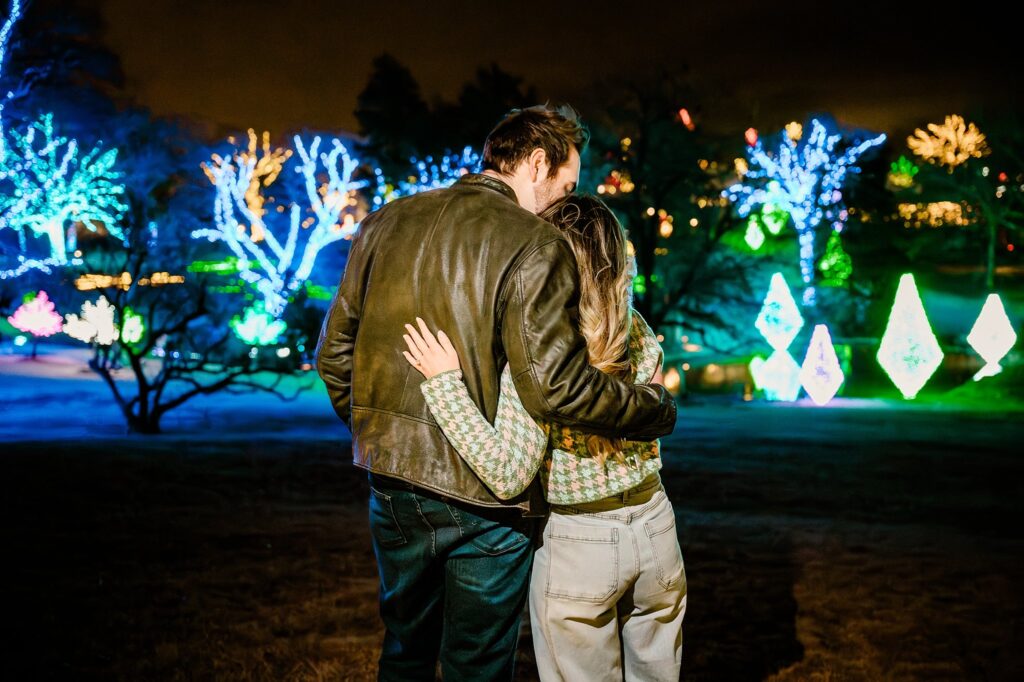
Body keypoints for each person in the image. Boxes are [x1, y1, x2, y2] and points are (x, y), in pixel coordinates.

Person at [316, 105, 678, 681]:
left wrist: (382, 436)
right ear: (537, 163)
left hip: (391, 485)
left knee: (405, 649)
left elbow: (334, 355)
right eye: (564, 185)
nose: (564, 202)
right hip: (488, 501)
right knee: (478, 665)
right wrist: (653, 409)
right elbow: (556, 390)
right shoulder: (537, 244)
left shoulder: (383, 221)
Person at [402, 194, 686, 681]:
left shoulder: (541, 351)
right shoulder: (637, 330)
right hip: (657, 526)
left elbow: (509, 473)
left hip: (582, 542)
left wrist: (446, 384)